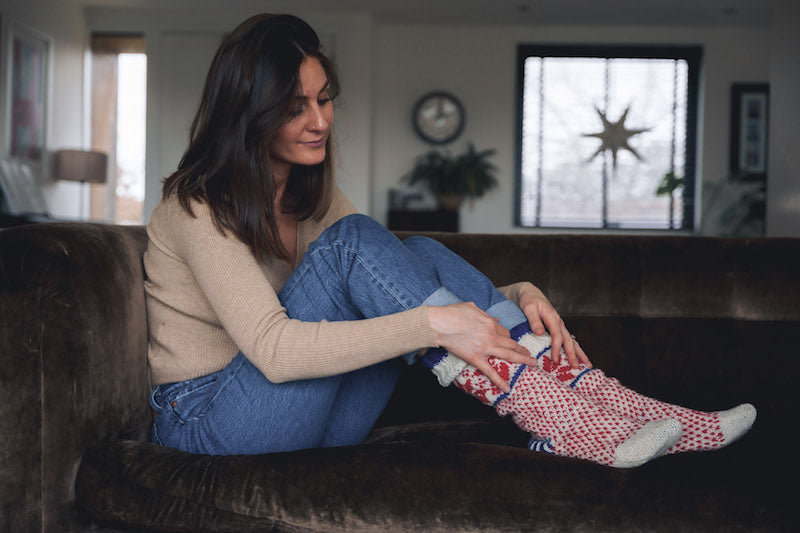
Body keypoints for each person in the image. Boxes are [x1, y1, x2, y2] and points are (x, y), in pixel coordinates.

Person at [145, 13, 755, 468]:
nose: (320, 121)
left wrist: (519, 291)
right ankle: (558, 414)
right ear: (247, 112)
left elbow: (395, 280)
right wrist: (437, 327)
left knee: (420, 253)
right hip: (211, 426)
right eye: (294, 106)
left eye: (325, 98)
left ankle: (600, 402)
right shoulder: (196, 204)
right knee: (361, 242)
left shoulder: (312, 199)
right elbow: (275, 352)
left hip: (307, 421)